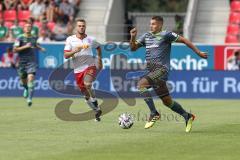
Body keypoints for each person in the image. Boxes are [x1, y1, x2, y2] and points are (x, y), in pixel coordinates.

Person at [129, 16, 208, 132]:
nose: (151, 26)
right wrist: (133, 37)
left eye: (154, 24)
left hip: (161, 70)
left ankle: (154, 113)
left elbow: (185, 40)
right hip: (151, 71)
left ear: (160, 25)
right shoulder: (146, 36)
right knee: (167, 101)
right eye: (150, 23)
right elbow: (133, 48)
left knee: (141, 85)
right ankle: (187, 116)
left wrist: (198, 52)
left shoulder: (166, 35)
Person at [64, 18, 103, 121]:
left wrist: (99, 59)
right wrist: (74, 51)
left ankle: (94, 100)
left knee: (88, 84)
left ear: (85, 27)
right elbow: (66, 55)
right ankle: (97, 110)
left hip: (90, 65)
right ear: (76, 27)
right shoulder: (70, 39)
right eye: (79, 26)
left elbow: (98, 47)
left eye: (83, 26)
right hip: (78, 70)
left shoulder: (90, 39)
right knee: (86, 96)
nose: (81, 27)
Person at [13, 21, 46, 106]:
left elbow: (35, 45)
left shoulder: (33, 38)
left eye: (29, 26)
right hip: (22, 62)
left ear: (31, 28)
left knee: (31, 78)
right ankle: (26, 88)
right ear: (24, 28)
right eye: (26, 26)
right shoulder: (19, 38)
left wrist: (41, 48)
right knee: (23, 80)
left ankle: (29, 99)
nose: (28, 28)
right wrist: (25, 46)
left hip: (31, 61)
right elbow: (15, 50)